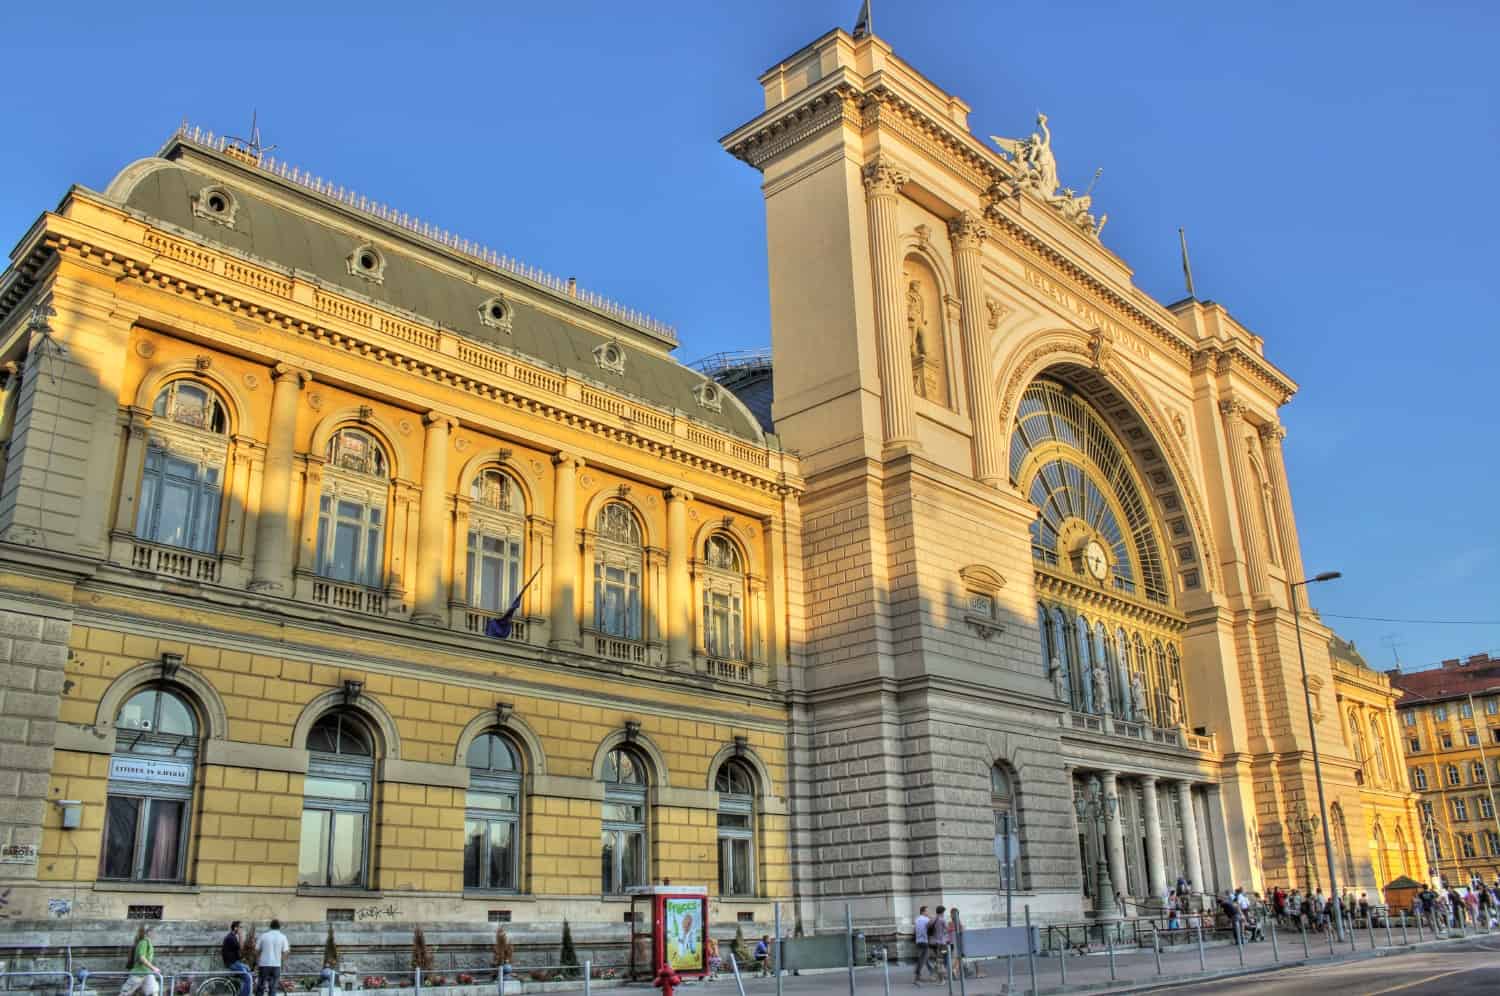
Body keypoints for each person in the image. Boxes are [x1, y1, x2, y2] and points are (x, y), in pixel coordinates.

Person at [121, 924, 162, 996]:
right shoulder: (143, 942)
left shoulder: (147, 942)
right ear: (148, 933)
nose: (155, 934)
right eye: (154, 932)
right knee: (125, 993)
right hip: (139, 973)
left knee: (154, 992)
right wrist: (153, 968)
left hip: (147, 973)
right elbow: (141, 958)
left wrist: (151, 969)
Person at [255, 919, 290, 996]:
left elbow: (257, 950)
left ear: (270, 926)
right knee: (273, 988)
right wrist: (281, 960)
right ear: (279, 927)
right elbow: (286, 951)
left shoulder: (263, 936)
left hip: (264, 964)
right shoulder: (283, 937)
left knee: (261, 986)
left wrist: (258, 961)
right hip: (276, 965)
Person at [222, 921, 252, 996]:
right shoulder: (231, 938)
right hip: (232, 963)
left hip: (235, 962)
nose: (242, 929)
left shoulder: (232, 936)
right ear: (235, 928)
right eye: (240, 927)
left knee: (248, 968)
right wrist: (241, 935)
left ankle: (244, 989)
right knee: (248, 979)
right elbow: (241, 948)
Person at [912, 906, 932, 984]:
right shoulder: (927, 920)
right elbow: (931, 929)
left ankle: (931, 971)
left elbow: (914, 931)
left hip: (918, 941)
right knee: (923, 958)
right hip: (925, 941)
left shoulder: (916, 920)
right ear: (923, 912)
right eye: (927, 911)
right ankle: (917, 974)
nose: (928, 913)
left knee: (923, 958)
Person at [929, 906, 949, 982]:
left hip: (933, 943)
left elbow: (928, 927)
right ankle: (941, 977)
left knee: (938, 959)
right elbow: (947, 929)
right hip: (942, 944)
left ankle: (935, 974)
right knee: (943, 958)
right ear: (942, 912)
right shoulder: (942, 920)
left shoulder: (933, 919)